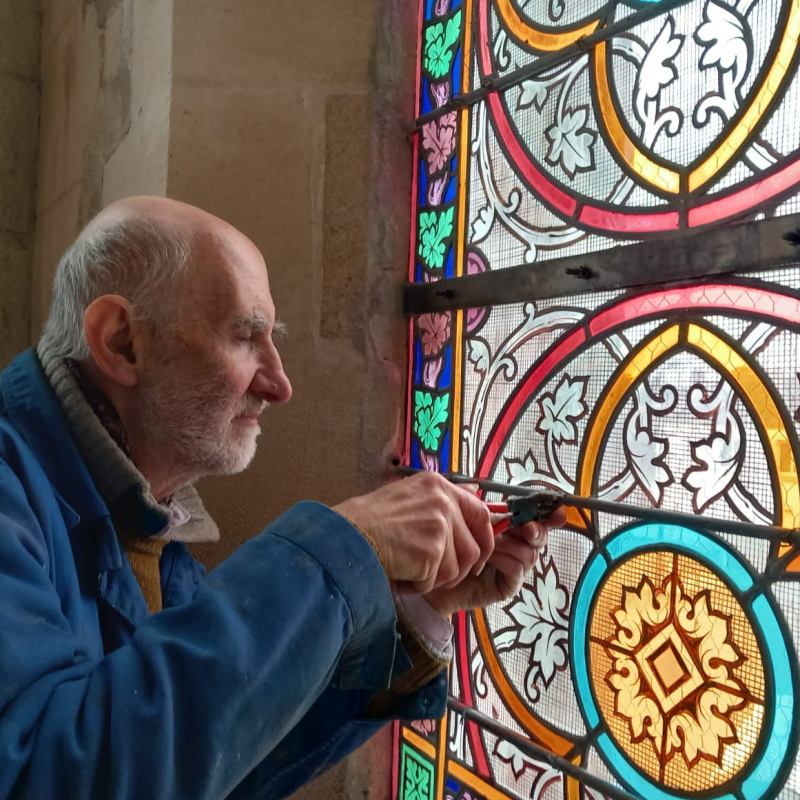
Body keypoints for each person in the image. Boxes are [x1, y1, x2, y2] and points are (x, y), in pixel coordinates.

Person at [0, 196, 562, 799]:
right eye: (247, 337)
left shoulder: (149, 518)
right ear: (122, 342)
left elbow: (222, 764)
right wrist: (344, 548)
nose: (279, 384)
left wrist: (414, 609)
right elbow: (47, 776)